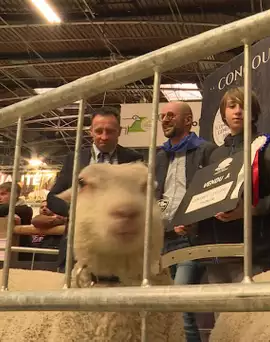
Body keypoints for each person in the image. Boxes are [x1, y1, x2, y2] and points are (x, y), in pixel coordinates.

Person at [196, 87, 270, 284]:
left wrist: (251, 210)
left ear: (254, 112)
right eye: (232, 106)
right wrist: (191, 221)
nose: (237, 111)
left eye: (244, 106)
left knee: (253, 314)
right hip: (218, 252)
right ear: (223, 113)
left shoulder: (265, 146)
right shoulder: (214, 154)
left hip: (254, 250)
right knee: (222, 315)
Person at [46, 106, 144, 272]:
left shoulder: (133, 159)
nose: (104, 137)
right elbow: (53, 197)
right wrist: (77, 209)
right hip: (77, 246)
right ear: (90, 131)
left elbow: (141, 199)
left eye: (110, 131)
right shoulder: (74, 159)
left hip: (119, 248)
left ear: (119, 131)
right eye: (99, 131)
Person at [155, 101, 216, 342]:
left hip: (190, 241)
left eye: (171, 115)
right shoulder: (159, 156)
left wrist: (194, 222)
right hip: (162, 241)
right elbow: (155, 197)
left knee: (180, 308)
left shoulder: (206, 150)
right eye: (162, 116)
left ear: (189, 120)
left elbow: (213, 193)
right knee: (166, 311)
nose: (165, 120)